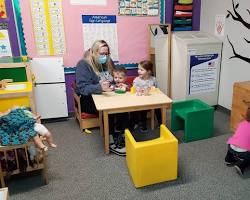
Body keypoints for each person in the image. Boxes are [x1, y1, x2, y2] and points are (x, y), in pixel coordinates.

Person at [75, 40, 125, 156]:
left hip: (108, 95)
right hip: (89, 100)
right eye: (102, 54)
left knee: (123, 106)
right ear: (93, 52)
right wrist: (99, 87)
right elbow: (82, 88)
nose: (105, 56)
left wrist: (119, 82)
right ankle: (112, 141)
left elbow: (116, 76)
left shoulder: (108, 61)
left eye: (107, 54)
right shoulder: (83, 64)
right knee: (110, 110)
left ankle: (121, 134)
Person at [130, 60, 161, 132]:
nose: (139, 71)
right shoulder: (137, 80)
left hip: (151, 100)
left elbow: (156, 89)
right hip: (141, 101)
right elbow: (134, 90)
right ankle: (143, 125)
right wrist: (140, 90)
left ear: (148, 71)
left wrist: (152, 90)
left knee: (158, 107)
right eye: (138, 69)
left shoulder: (153, 79)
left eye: (141, 70)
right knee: (142, 110)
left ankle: (160, 123)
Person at [225, 105, 250, 176]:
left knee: (235, 139)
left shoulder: (242, 122)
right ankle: (241, 166)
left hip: (231, 147)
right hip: (243, 153)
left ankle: (229, 158)